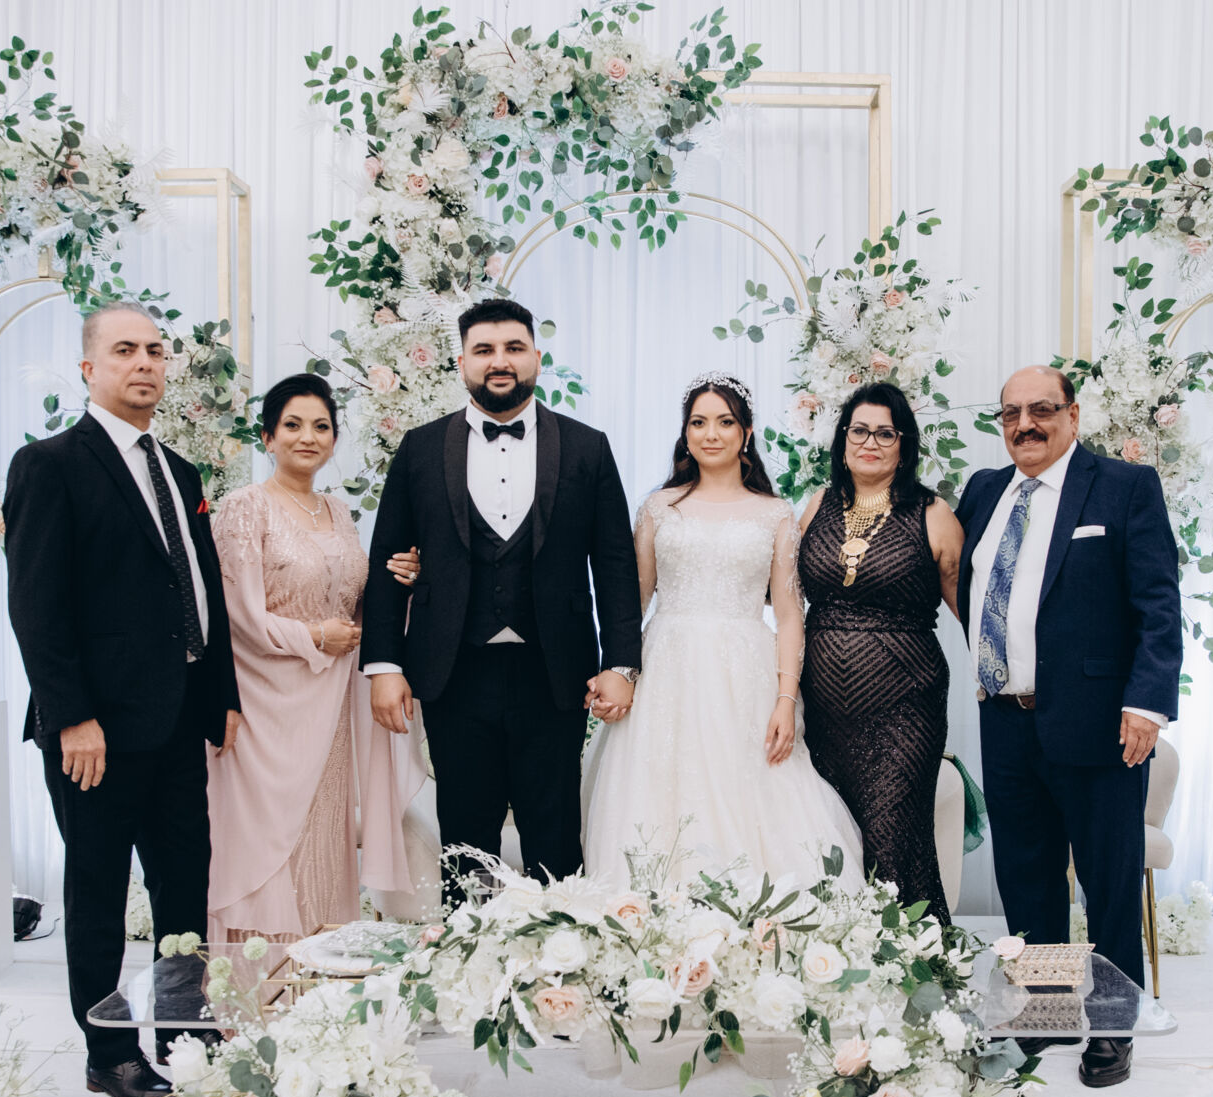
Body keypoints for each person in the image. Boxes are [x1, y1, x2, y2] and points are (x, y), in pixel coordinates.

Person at [4, 300, 241, 1097]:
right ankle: (108, 1053)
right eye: (124, 350)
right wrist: (72, 716)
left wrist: (220, 695)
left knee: (183, 888)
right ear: (89, 368)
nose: (143, 363)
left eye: (154, 350)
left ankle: (182, 1034)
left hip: (176, 718)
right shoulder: (49, 465)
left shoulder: (180, 471)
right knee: (100, 894)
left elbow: (200, 592)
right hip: (94, 731)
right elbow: (36, 607)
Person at [359, 298, 641, 898]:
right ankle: (469, 953)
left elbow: (616, 564)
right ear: (462, 362)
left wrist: (621, 665)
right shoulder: (419, 448)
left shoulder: (587, 448)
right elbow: (387, 560)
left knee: (555, 836)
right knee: (465, 840)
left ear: (536, 357)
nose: (500, 361)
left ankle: (563, 950)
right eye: (484, 350)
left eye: (513, 348)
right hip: (453, 669)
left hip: (555, 670)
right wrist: (384, 664)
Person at [955, 365, 1181, 1089]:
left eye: (1041, 410)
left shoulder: (1122, 487)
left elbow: (1158, 603)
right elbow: (970, 589)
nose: (1025, 424)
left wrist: (1146, 705)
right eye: (1010, 413)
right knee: (1026, 876)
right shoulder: (984, 491)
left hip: (1101, 723)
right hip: (1005, 718)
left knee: (1108, 880)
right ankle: (1046, 1011)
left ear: (1073, 415)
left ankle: (1113, 1023)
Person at [581, 373, 864, 890]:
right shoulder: (658, 508)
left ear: (746, 432)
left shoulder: (775, 514)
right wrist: (616, 669)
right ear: (685, 433)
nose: (711, 434)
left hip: (744, 674)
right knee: (655, 795)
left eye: (725, 422)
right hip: (666, 670)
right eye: (699, 422)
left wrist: (785, 699)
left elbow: (789, 616)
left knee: (753, 794)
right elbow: (630, 604)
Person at [205, 373, 369, 943]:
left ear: (334, 439)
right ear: (268, 437)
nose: (308, 437)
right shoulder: (244, 508)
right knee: (263, 840)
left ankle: (319, 981)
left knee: (321, 834)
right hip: (263, 708)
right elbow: (235, 614)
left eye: (321, 426)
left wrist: (404, 577)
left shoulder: (340, 513)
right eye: (292, 425)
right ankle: (257, 984)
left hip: (329, 704)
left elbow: (352, 598)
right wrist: (315, 636)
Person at [798, 382, 966, 924]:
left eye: (885, 433)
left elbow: (971, 610)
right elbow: (783, 598)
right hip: (822, 708)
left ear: (904, 444)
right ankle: (839, 960)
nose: (870, 443)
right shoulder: (817, 505)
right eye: (860, 431)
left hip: (905, 706)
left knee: (893, 834)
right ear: (843, 439)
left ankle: (910, 958)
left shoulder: (932, 513)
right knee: (832, 833)